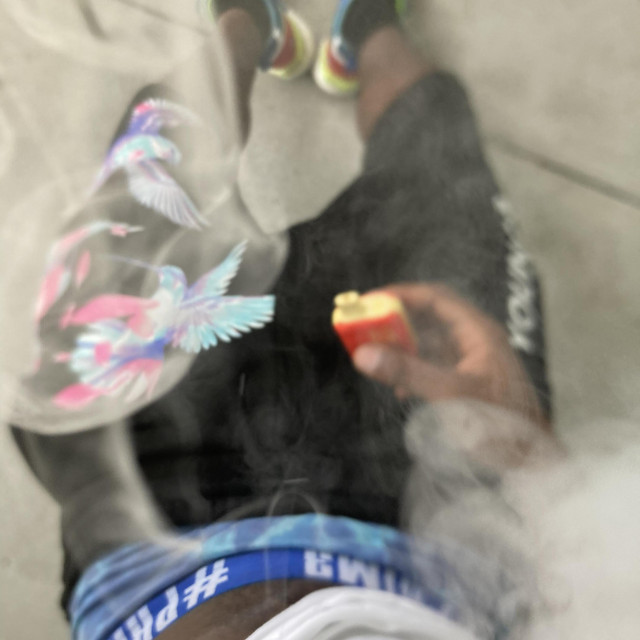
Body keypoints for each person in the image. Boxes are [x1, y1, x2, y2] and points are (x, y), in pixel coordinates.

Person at [12, 1, 559, 638]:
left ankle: (248, 22)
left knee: (160, 157)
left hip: (147, 525)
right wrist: (538, 474)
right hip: (432, 532)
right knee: (441, 162)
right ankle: (369, 25)